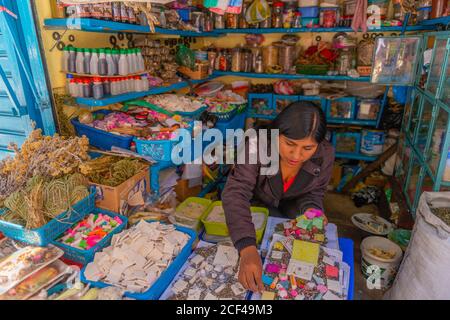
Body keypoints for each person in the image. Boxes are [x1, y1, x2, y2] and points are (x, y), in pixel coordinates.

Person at [222, 101, 335, 293]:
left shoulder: (325, 154)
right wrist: (247, 247)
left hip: (294, 204)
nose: (297, 155)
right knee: (261, 245)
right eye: (290, 143)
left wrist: (312, 211)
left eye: (308, 148)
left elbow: (315, 192)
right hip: (258, 203)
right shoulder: (256, 145)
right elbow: (237, 191)